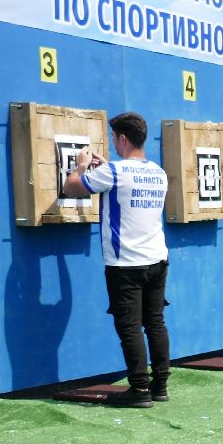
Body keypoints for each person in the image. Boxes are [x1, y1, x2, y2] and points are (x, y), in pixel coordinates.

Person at [59, 111, 171, 408]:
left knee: (130, 327)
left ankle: (139, 390)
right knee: (155, 323)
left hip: (125, 265)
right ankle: (160, 386)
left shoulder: (114, 172)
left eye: (113, 139)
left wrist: (81, 167)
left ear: (123, 138)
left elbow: (71, 186)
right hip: (157, 260)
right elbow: (128, 184)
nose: (112, 144)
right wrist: (103, 168)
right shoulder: (158, 172)